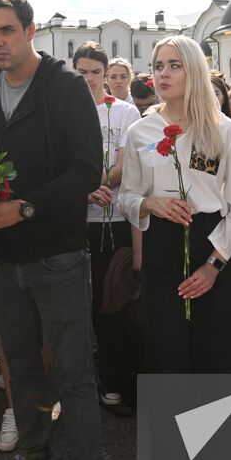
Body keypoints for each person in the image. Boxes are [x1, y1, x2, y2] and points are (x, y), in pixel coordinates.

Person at [0, 0, 116, 460]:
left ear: (30, 32)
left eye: (6, 30)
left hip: (57, 257)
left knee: (74, 376)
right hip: (0, 262)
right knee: (21, 370)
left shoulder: (66, 87)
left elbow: (86, 170)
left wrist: (22, 208)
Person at [119, 36, 231, 460]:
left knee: (214, 361)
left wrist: (213, 265)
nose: (163, 73)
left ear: (194, 71)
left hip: (212, 248)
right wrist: (149, 204)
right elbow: (127, 197)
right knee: (168, 359)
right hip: (162, 249)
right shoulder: (140, 131)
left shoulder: (226, 131)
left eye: (174, 64)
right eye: (157, 65)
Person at [74, 42, 142, 415]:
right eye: (81, 72)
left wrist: (98, 183)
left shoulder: (125, 111)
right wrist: (82, 190)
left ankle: (116, 377)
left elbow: (124, 162)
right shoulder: (64, 110)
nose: (88, 79)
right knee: (82, 304)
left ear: (105, 74)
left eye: (94, 72)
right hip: (77, 218)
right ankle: (93, 375)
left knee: (113, 301)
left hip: (115, 220)